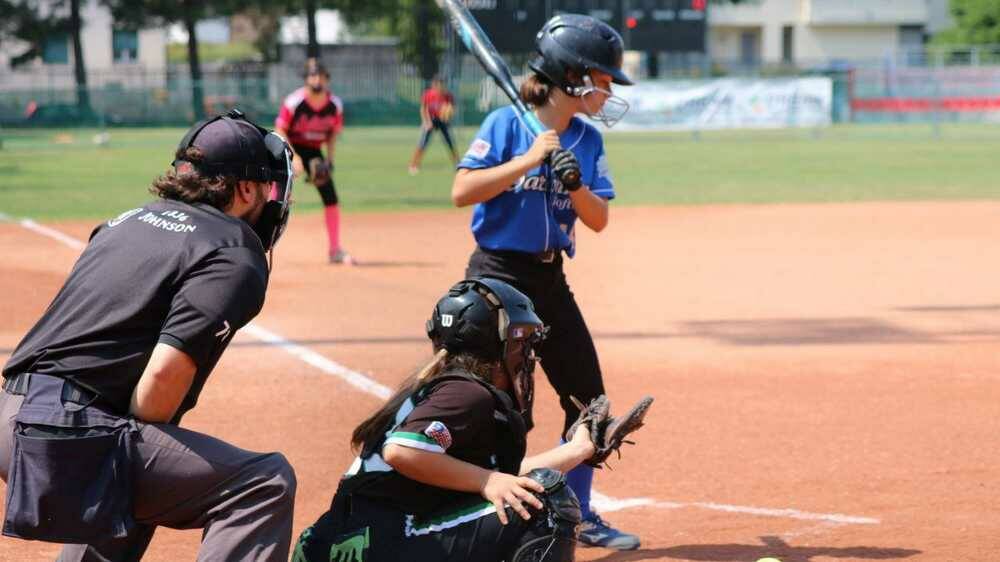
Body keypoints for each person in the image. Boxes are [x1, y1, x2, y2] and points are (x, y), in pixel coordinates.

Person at [0, 109, 297, 561]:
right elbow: (160, 385)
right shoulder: (236, 249)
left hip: (11, 414)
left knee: (135, 457)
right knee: (262, 483)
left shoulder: (129, 218)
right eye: (267, 189)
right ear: (245, 189)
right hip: (63, 431)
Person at [451, 13, 640, 551]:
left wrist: (574, 184)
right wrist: (527, 162)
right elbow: (462, 191)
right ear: (571, 75)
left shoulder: (585, 140)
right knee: (502, 407)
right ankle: (484, 517)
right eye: (603, 79)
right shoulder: (505, 126)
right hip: (497, 279)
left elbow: (598, 219)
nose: (608, 91)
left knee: (589, 400)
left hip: (550, 278)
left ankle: (577, 515)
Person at [293, 278, 594, 562]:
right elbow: (401, 451)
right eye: (522, 343)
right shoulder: (466, 394)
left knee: (520, 491)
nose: (528, 355)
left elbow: (507, 478)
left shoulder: (445, 389)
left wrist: (579, 449)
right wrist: (486, 480)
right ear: (497, 345)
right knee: (545, 507)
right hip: (386, 541)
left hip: (342, 543)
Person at [275, 57, 353, 265]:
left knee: (331, 198)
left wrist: (329, 159)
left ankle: (335, 250)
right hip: (289, 146)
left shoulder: (334, 105)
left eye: (320, 75)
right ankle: (260, 243)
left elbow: (333, 134)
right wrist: (294, 157)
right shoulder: (294, 101)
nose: (316, 78)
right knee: (276, 197)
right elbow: (280, 129)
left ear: (326, 79)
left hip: (314, 151)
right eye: (312, 75)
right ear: (306, 79)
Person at [408, 76, 459, 175]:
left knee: (450, 143)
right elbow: (423, 109)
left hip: (443, 121)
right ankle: (413, 165)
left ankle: (457, 165)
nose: (441, 86)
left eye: (443, 84)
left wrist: (448, 114)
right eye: (439, 84)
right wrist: (426, 122)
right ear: (434, 85)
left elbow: (451, 109)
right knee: (422, 143)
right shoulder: (428, 94)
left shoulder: (448, 96)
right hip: (430, 119)